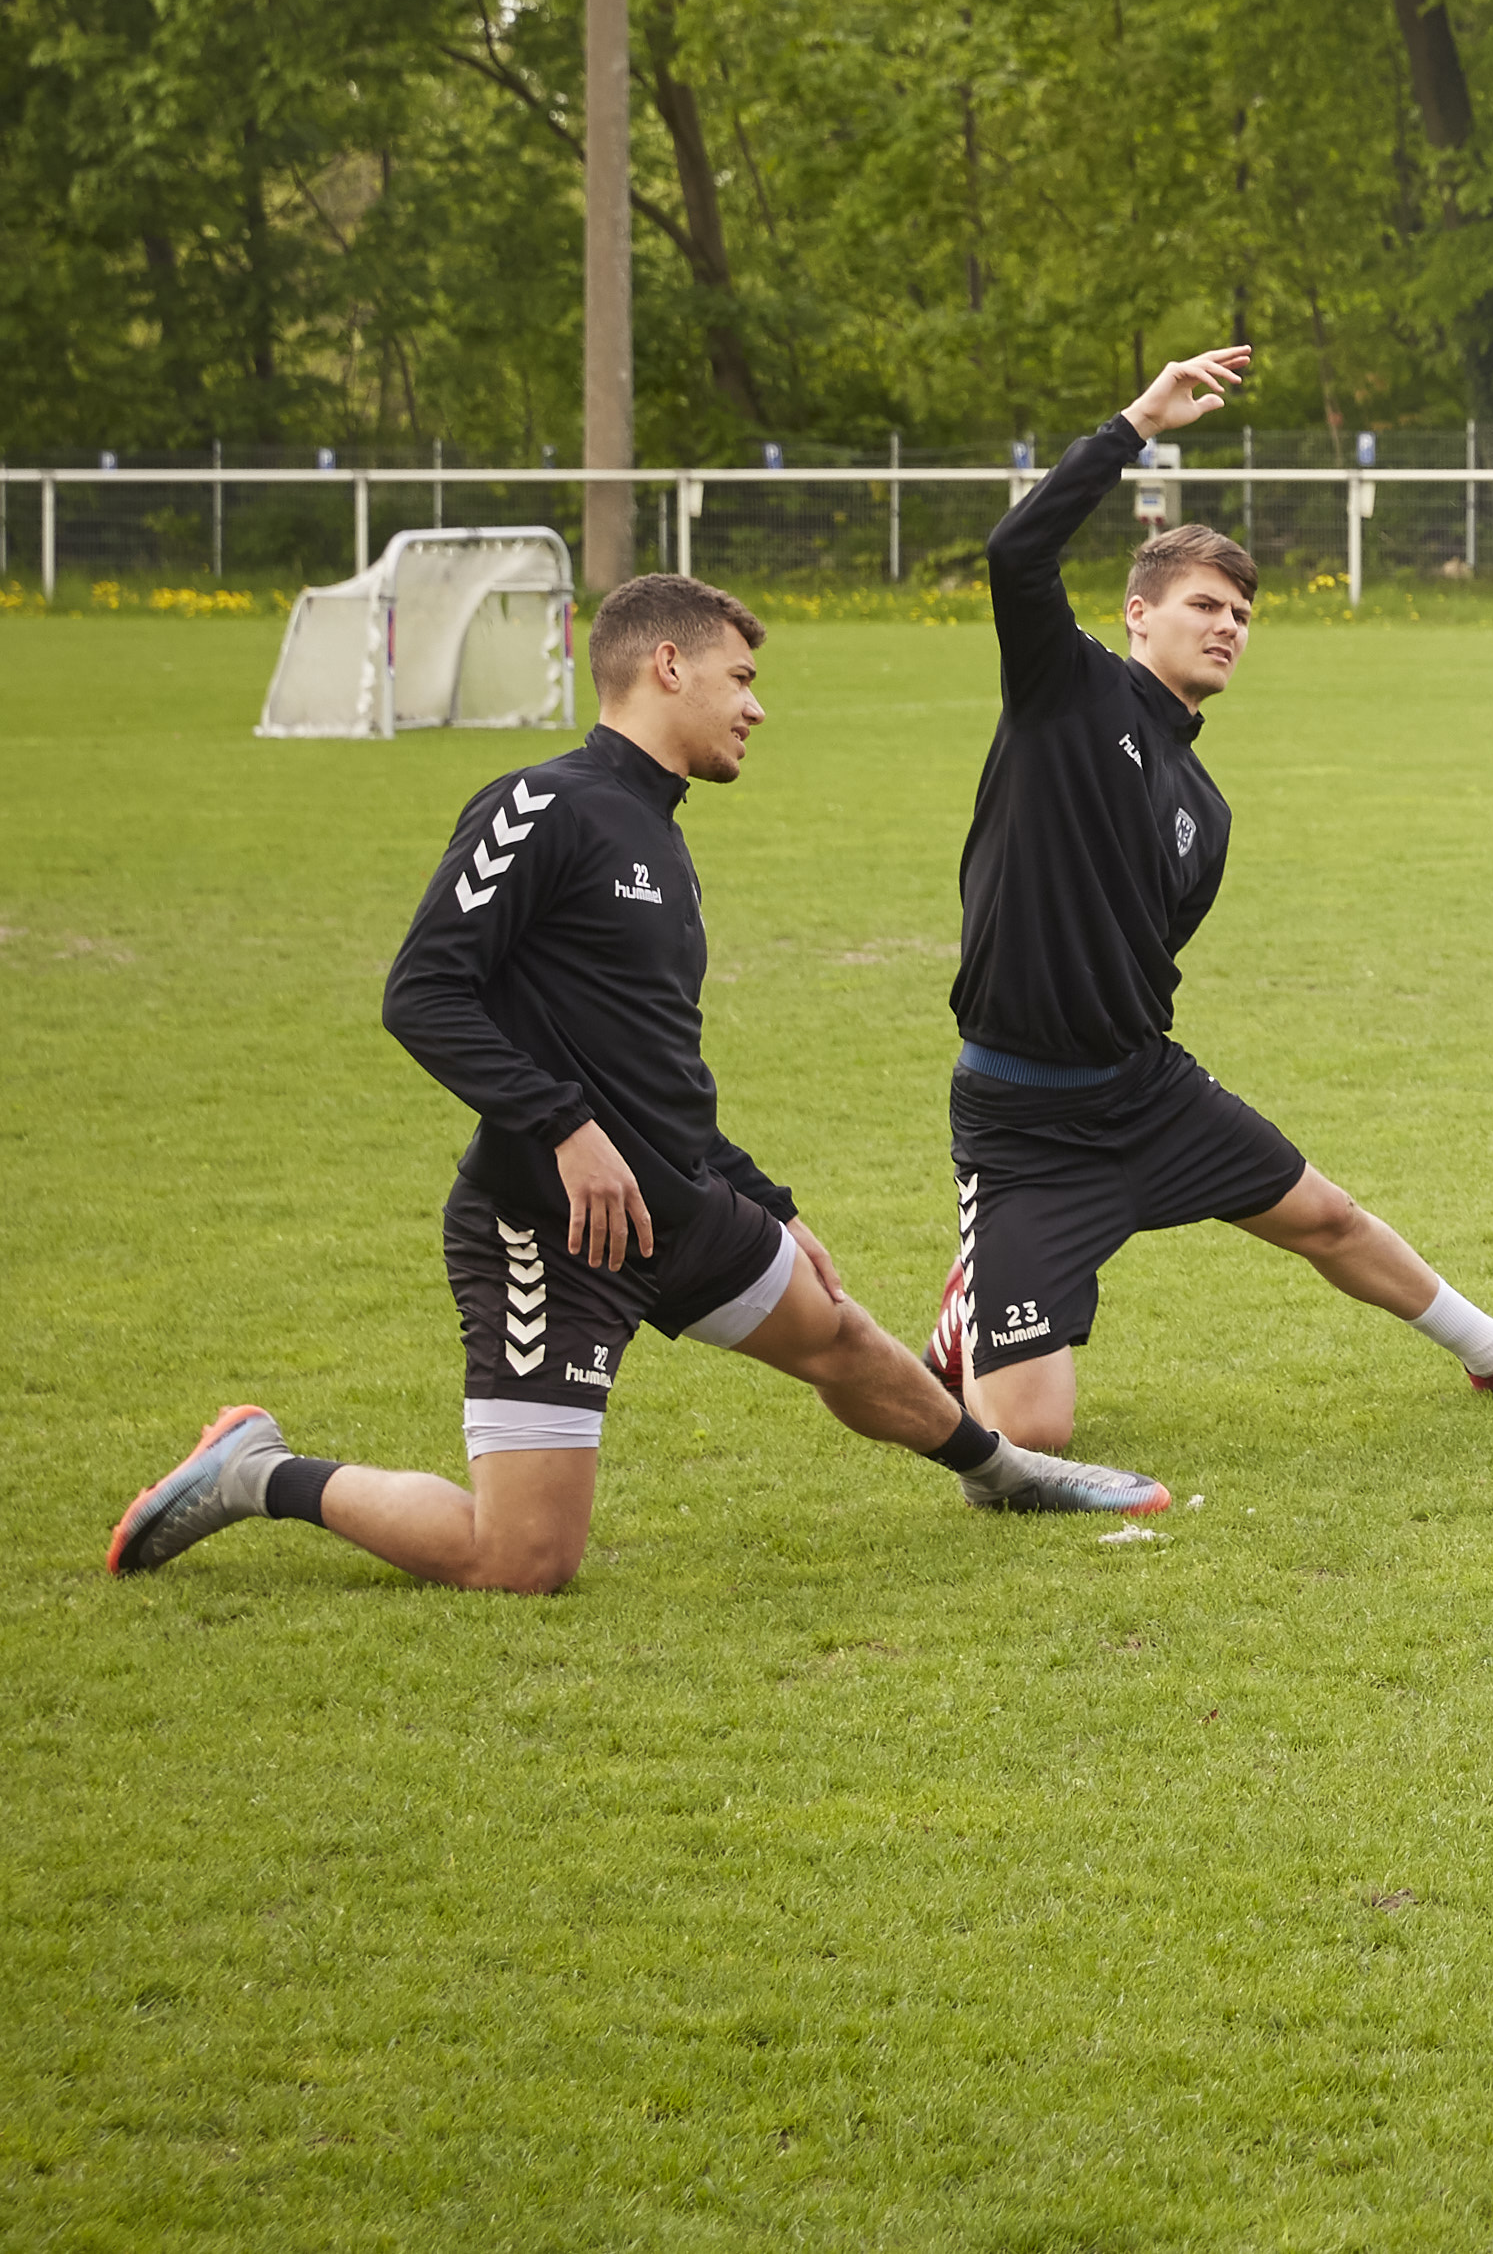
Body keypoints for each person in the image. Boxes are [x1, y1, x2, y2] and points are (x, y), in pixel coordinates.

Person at [108, 576, 1172, 1592]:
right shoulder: (542, 805)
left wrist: (768, 1203)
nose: (757, 707)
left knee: (841, 1336)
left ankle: (1012, 1476)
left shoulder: (661, 838)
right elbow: (422, 994)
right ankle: (256, 1471)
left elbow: (656, 1071)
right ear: (668, 665)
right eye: (741, 677)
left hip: (679, 1205)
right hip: (550, 1230)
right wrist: (562, 1126)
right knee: (521, 1562)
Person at [920, 345, 1493, 1441]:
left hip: (1143, 1091)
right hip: (1025, 1123)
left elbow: (1146, 959)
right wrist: (1137, 422)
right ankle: (977, 1300)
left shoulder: (1204, 805)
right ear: (1138, 613)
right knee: (1032, 1441)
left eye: (1243, 616)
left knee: (1327, 1216)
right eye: (1205, 604)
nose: (1228, 627)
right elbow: (1016, 551)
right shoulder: (1065, 689)